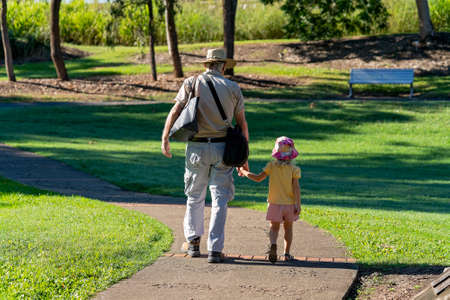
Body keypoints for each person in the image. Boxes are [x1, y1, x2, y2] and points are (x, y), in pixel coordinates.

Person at [161, 48, 249, 263]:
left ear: (206, 64)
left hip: (196, 148)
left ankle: (193, 243)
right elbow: (242, 124)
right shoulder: (233, 87)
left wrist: (165, 137)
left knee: (194, 196)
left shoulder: (191, 83)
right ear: (224, 66)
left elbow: (175, 111)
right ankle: (215, 249)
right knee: (220, 199)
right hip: (224, 149)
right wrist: (244, 156)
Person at [239, 136, 301, 263]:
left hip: (274, 203)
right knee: (288, 229)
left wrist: (243, 171)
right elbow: (296, 189)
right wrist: (297, 204)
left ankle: (273, 244)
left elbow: (257, 178)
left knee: (274, 228)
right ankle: (287, 253)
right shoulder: (294, 169)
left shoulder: (271, 166)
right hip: (289, 204)